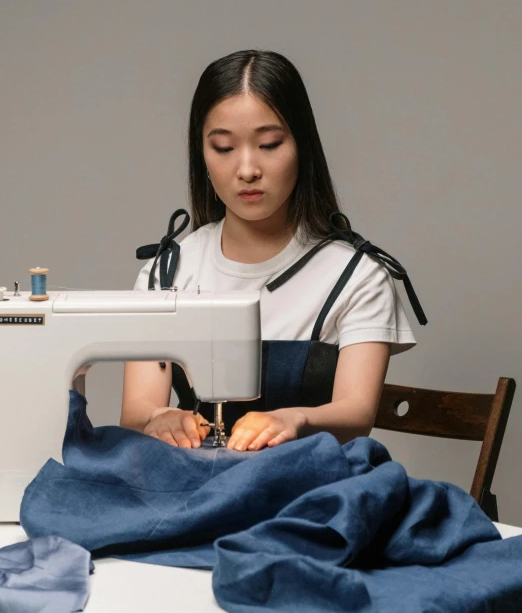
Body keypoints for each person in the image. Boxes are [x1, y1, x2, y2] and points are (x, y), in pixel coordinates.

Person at [119, 49, 422, 452]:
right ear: (202, 155)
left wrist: (296, 418)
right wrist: (162, 418)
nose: (247, 169)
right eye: (224, 148)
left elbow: (357, 413)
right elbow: (137, 411)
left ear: (302, 147)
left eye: (269, 144)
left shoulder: (356, 277)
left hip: (311, 489)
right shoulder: (169, 273)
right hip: (193, 484)